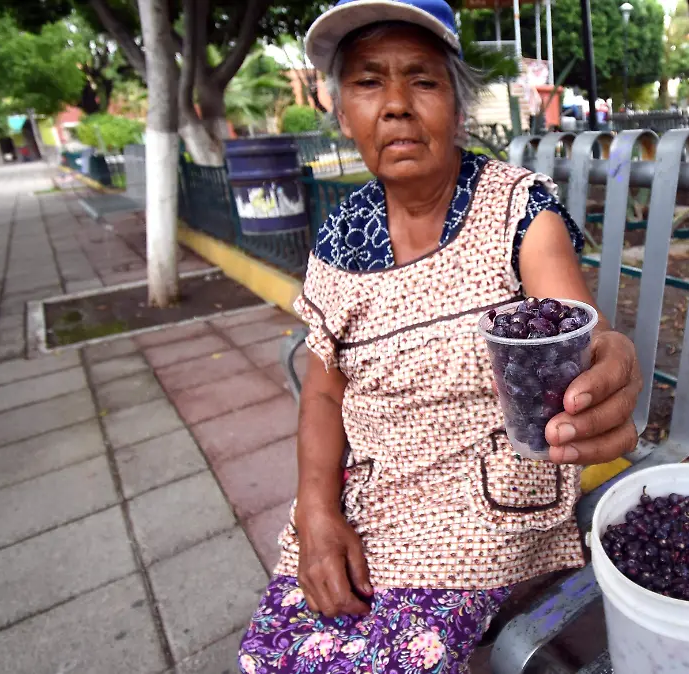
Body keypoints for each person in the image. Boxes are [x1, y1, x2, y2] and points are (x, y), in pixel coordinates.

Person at [236, 1, 642, 672]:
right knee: (270, 657)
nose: (396, 105)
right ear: (343, 114)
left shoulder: (518, 210)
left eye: (422, 80)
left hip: (481, 503)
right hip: (369, 494)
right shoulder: (340, 239)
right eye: (369, 82)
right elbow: (323, 393)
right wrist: (316, 511)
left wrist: (605, 355)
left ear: (458, 106)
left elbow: (572, 333)